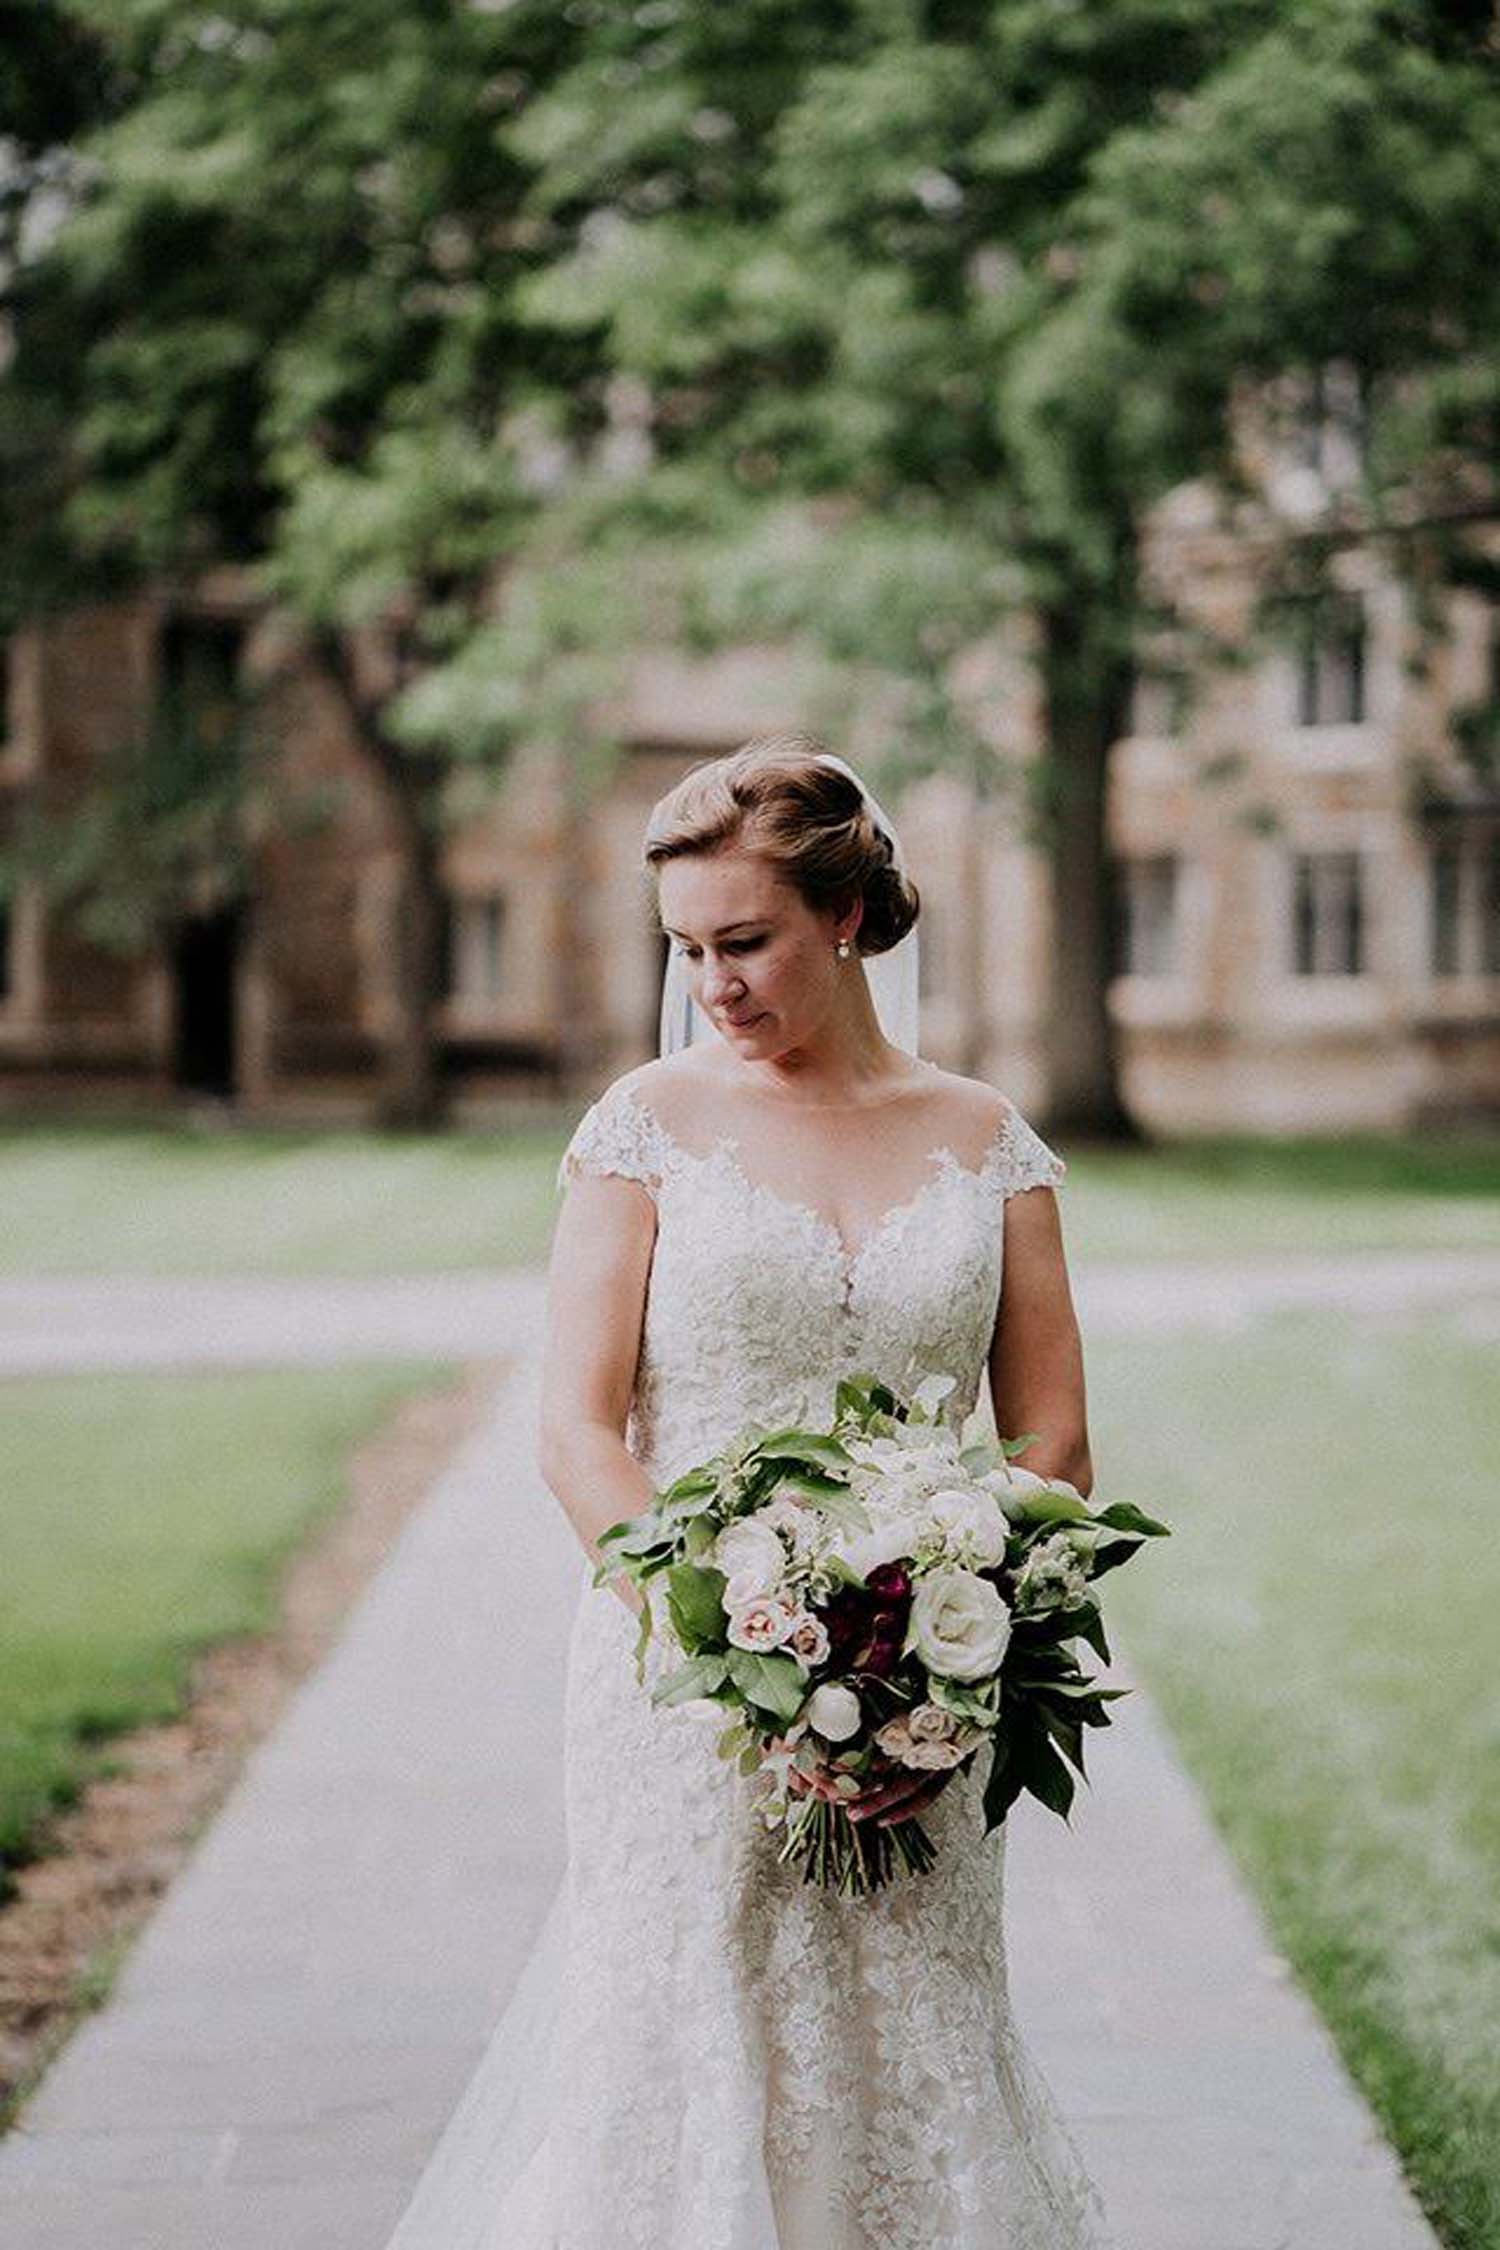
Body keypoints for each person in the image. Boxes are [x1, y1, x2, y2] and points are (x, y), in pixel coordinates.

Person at [381, 734, 1114, 2248]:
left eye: (746, 941)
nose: (714, 980)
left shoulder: (990, 1145)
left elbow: (1052, 1440)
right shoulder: (643, 1130)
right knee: (690, 2043)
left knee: (915, 2041)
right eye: (688, 948)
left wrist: (930, 1663)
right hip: (682, 1694)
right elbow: (579, 1430)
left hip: (932, 1695)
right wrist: (754, 1655)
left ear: (844, 918)